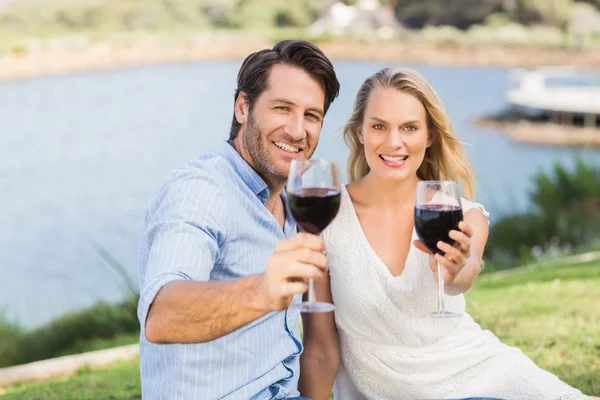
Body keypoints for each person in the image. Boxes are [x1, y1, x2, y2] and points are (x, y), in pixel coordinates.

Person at [298, 67, 589, 400]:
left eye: (409, 127)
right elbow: (320, 349)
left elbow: (465, 274)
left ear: (429, 135)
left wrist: (453, 270)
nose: (394, 142)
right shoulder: (327, 219)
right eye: (379, 126)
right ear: (360, 132)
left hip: (485, 377)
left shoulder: (463, 214)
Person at [137, 39, 340, 400]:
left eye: (312, 115)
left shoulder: (295, 204)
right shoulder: (201, 190)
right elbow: (162, 315)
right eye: (282, 108)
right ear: (243, 107)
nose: (297, 130)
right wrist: (262, 290)